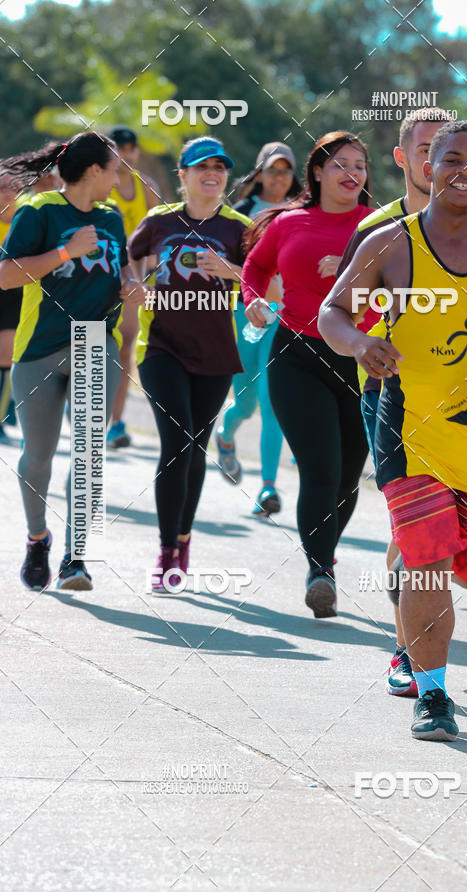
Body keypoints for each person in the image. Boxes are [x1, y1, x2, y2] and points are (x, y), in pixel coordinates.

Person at [319, 120, 467, 740]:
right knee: (428, 556)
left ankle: (413, 621)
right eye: (452, 158)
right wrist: (360, 342)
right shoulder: (389, 243)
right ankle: (433, 692)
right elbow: (332, 311)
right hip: (408, 423)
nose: (465, 171)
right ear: (428, 166)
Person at [337, 108, 456, 696]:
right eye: (428, 148)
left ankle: (417, 636)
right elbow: (343, 313)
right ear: (404, 158)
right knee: (413, 528)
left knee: (465, 541)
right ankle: (409, 650)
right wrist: (367, 340)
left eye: (450, 149)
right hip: (391, 395)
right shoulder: (378, 232)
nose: (440, 161)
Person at [242, 131, 372, 617]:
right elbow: (254, 269)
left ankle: (324, 554)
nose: (351, 172)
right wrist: (254, 300)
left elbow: (408, 281)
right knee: (321, 468)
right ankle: (321, 571)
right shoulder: (288, 222)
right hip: (297, 354)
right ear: (316, 172)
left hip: (363, 360)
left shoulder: (380, 225)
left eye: (359, 164)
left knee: (347, 477)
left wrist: (350, 268)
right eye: (340, 164)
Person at [0, 132, 135, 591]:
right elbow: (6, 276)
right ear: (94, 170)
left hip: (95, 343)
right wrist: (64, 252)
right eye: (114, 170)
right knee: (37, 457)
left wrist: (131, 284)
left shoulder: (112, 219)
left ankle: (76, 558)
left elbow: (124, 269)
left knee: (89, 455)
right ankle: (38, 538)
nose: (118, 180)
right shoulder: (39, 212)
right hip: (39, 347)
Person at [127, 136, 250, 592]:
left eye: (219, 167)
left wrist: (232, 272)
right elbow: (128, 257)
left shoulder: (239, 228)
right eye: (201, 167)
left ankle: (183, 540)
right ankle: (164, 552)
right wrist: (134, 286)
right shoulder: (160, 222)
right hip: (161, 348)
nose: (211, 174)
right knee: (176, 441)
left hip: (216, 354)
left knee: (194, 448)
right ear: (183, 175)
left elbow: (265, 284)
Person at [216, 142, 301, 515]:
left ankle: (268, 488)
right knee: (245, 401)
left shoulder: (302, 212)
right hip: (246, 313)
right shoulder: (242, 214)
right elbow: (226, 268)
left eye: (286, 171)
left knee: (273, 401)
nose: (279, 178)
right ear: (260, 173)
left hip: (286, 315)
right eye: (273, 170)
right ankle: (225, 436)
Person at [106, 126, 162, 450]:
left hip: (133, 280)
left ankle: (117, 423)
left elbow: (157, 235)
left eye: (131, 149)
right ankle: (80, 409)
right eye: (119, 149)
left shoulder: (146, 187)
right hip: (97, 277)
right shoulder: (101, 185)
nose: (126, 155)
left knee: (125, 349)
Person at [0, 171, 21, 438]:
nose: (7, 193)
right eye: (2, 187)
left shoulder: (23, 219)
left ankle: (2, 416)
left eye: (12, 188)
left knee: (6, 354)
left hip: (13, 293)